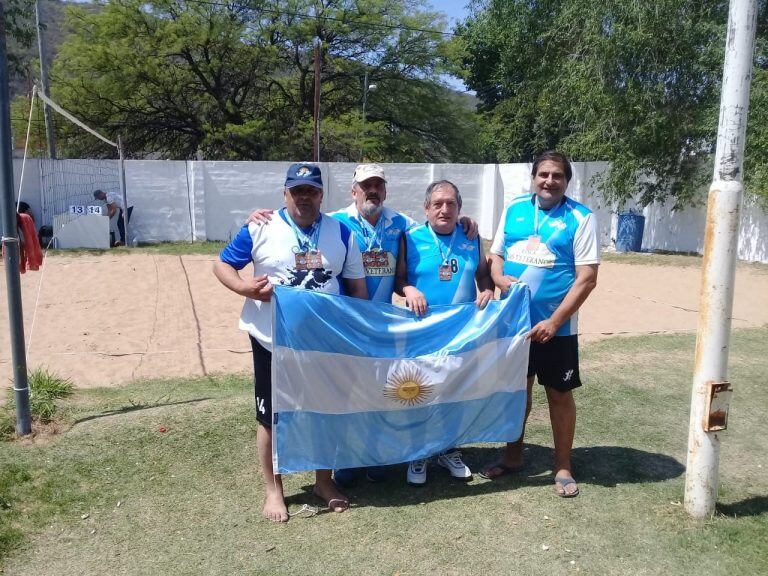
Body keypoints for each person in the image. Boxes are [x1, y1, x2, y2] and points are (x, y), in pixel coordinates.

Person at [246, 164, 480, 488]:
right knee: (346, 395)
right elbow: (300, 222)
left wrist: (466, 222)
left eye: (378, 186)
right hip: (343, 325)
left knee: (378, 393)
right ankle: (345, 459)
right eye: (365, 186)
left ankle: (374, 456)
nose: (372, 191)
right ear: (352, 190)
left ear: (385, 190)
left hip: (382, 325)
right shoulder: (335, 222)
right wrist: (261, 216)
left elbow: (434, 226)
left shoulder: (401, 225)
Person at [213, 163, 368, 522]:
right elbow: (222, 265)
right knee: (270, 418)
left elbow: (357, 290)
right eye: (297, 190)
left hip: (323, 343)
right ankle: (273, 491)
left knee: (324, 412)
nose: (304, 197)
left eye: (311, 190)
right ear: (285, 193)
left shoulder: (341, 233)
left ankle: (323, 483)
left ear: (321, 195)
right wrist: (244, 287)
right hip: (272, 341)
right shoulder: (260, 226)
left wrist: (355, 329)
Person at [480, 151, 600, 498]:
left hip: (557, 328)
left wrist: (554, 320)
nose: (549, 181)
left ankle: (563, 465)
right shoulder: (515, 208)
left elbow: (587, 278)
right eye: (543, 174)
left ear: (567, 181)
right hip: (514, 323)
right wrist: (500, 279)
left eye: (557, 176)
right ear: (533, 177)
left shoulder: (581, 217)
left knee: (559, 395)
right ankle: (513, 456)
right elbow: (497, 254)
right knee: (518, 391)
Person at [394, 180, 495, 486]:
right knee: (420, 391)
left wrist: (488, 290)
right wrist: (409, 288)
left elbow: (483, 276)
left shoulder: (471, 237)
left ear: (459, 209)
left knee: (454, 391)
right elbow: (398, 279)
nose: (445, 209)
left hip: (461, 335)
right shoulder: (410, 238)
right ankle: (419, 452)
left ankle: (449, 449)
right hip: (422, 332)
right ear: (426, 208)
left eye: (451, 204)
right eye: (437, 204)